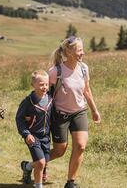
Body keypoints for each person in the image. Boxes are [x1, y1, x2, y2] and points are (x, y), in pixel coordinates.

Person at [48, 36, 101, 188]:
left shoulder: (84, 68)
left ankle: (70, 182)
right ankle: (30, 166)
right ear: (69, 52)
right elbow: (42, 91)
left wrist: (94, 110)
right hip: (60, 115)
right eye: (79, 50)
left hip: (79, 112)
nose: (82, 53)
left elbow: (86, 90)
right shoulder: (55, 71)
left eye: (82, 50)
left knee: (80, 146)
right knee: (59, 151)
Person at [16, 70, 53, 187]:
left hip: (46, 137)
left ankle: (27, 167)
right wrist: (26, 134)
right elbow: (19, 119)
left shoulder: (51, 99)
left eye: (46, 84)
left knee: (44, 161)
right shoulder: (28, 102)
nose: (44, 87)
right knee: (41, 163)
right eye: (41, 84)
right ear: (33, 85)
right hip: (33, 136)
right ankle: (38, 185)